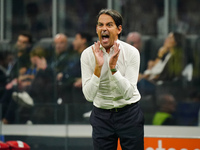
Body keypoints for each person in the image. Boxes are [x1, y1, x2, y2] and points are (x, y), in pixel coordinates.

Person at [81, 9, 144, 150]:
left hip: (129, 114)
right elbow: (89, 96)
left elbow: (128, 93)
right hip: (101, 116)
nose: (104, 28)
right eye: (100, 25)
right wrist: (98, 68)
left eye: (109, 25)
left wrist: (113, 69)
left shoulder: (132, 52)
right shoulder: (87, 55)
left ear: (119, 29)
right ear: (96, 28)